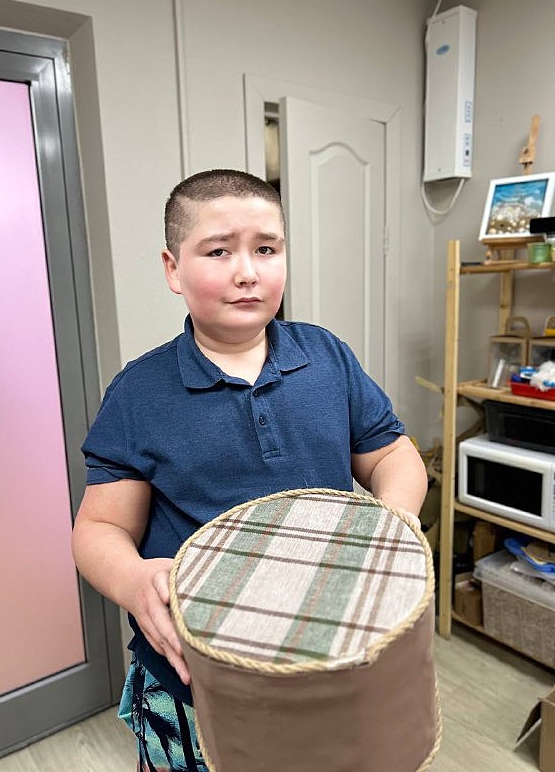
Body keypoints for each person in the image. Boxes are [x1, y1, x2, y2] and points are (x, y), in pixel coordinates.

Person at [72, 169, 428, 772]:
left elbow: (392, 454)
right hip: (197, 679)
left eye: (266, 249)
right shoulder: (139, 392)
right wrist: (133, 581)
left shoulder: (327, 356)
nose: (248, 272)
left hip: (329, 659)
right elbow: (100, 528)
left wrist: (390, 524)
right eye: (219, 251)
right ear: (173, 269)